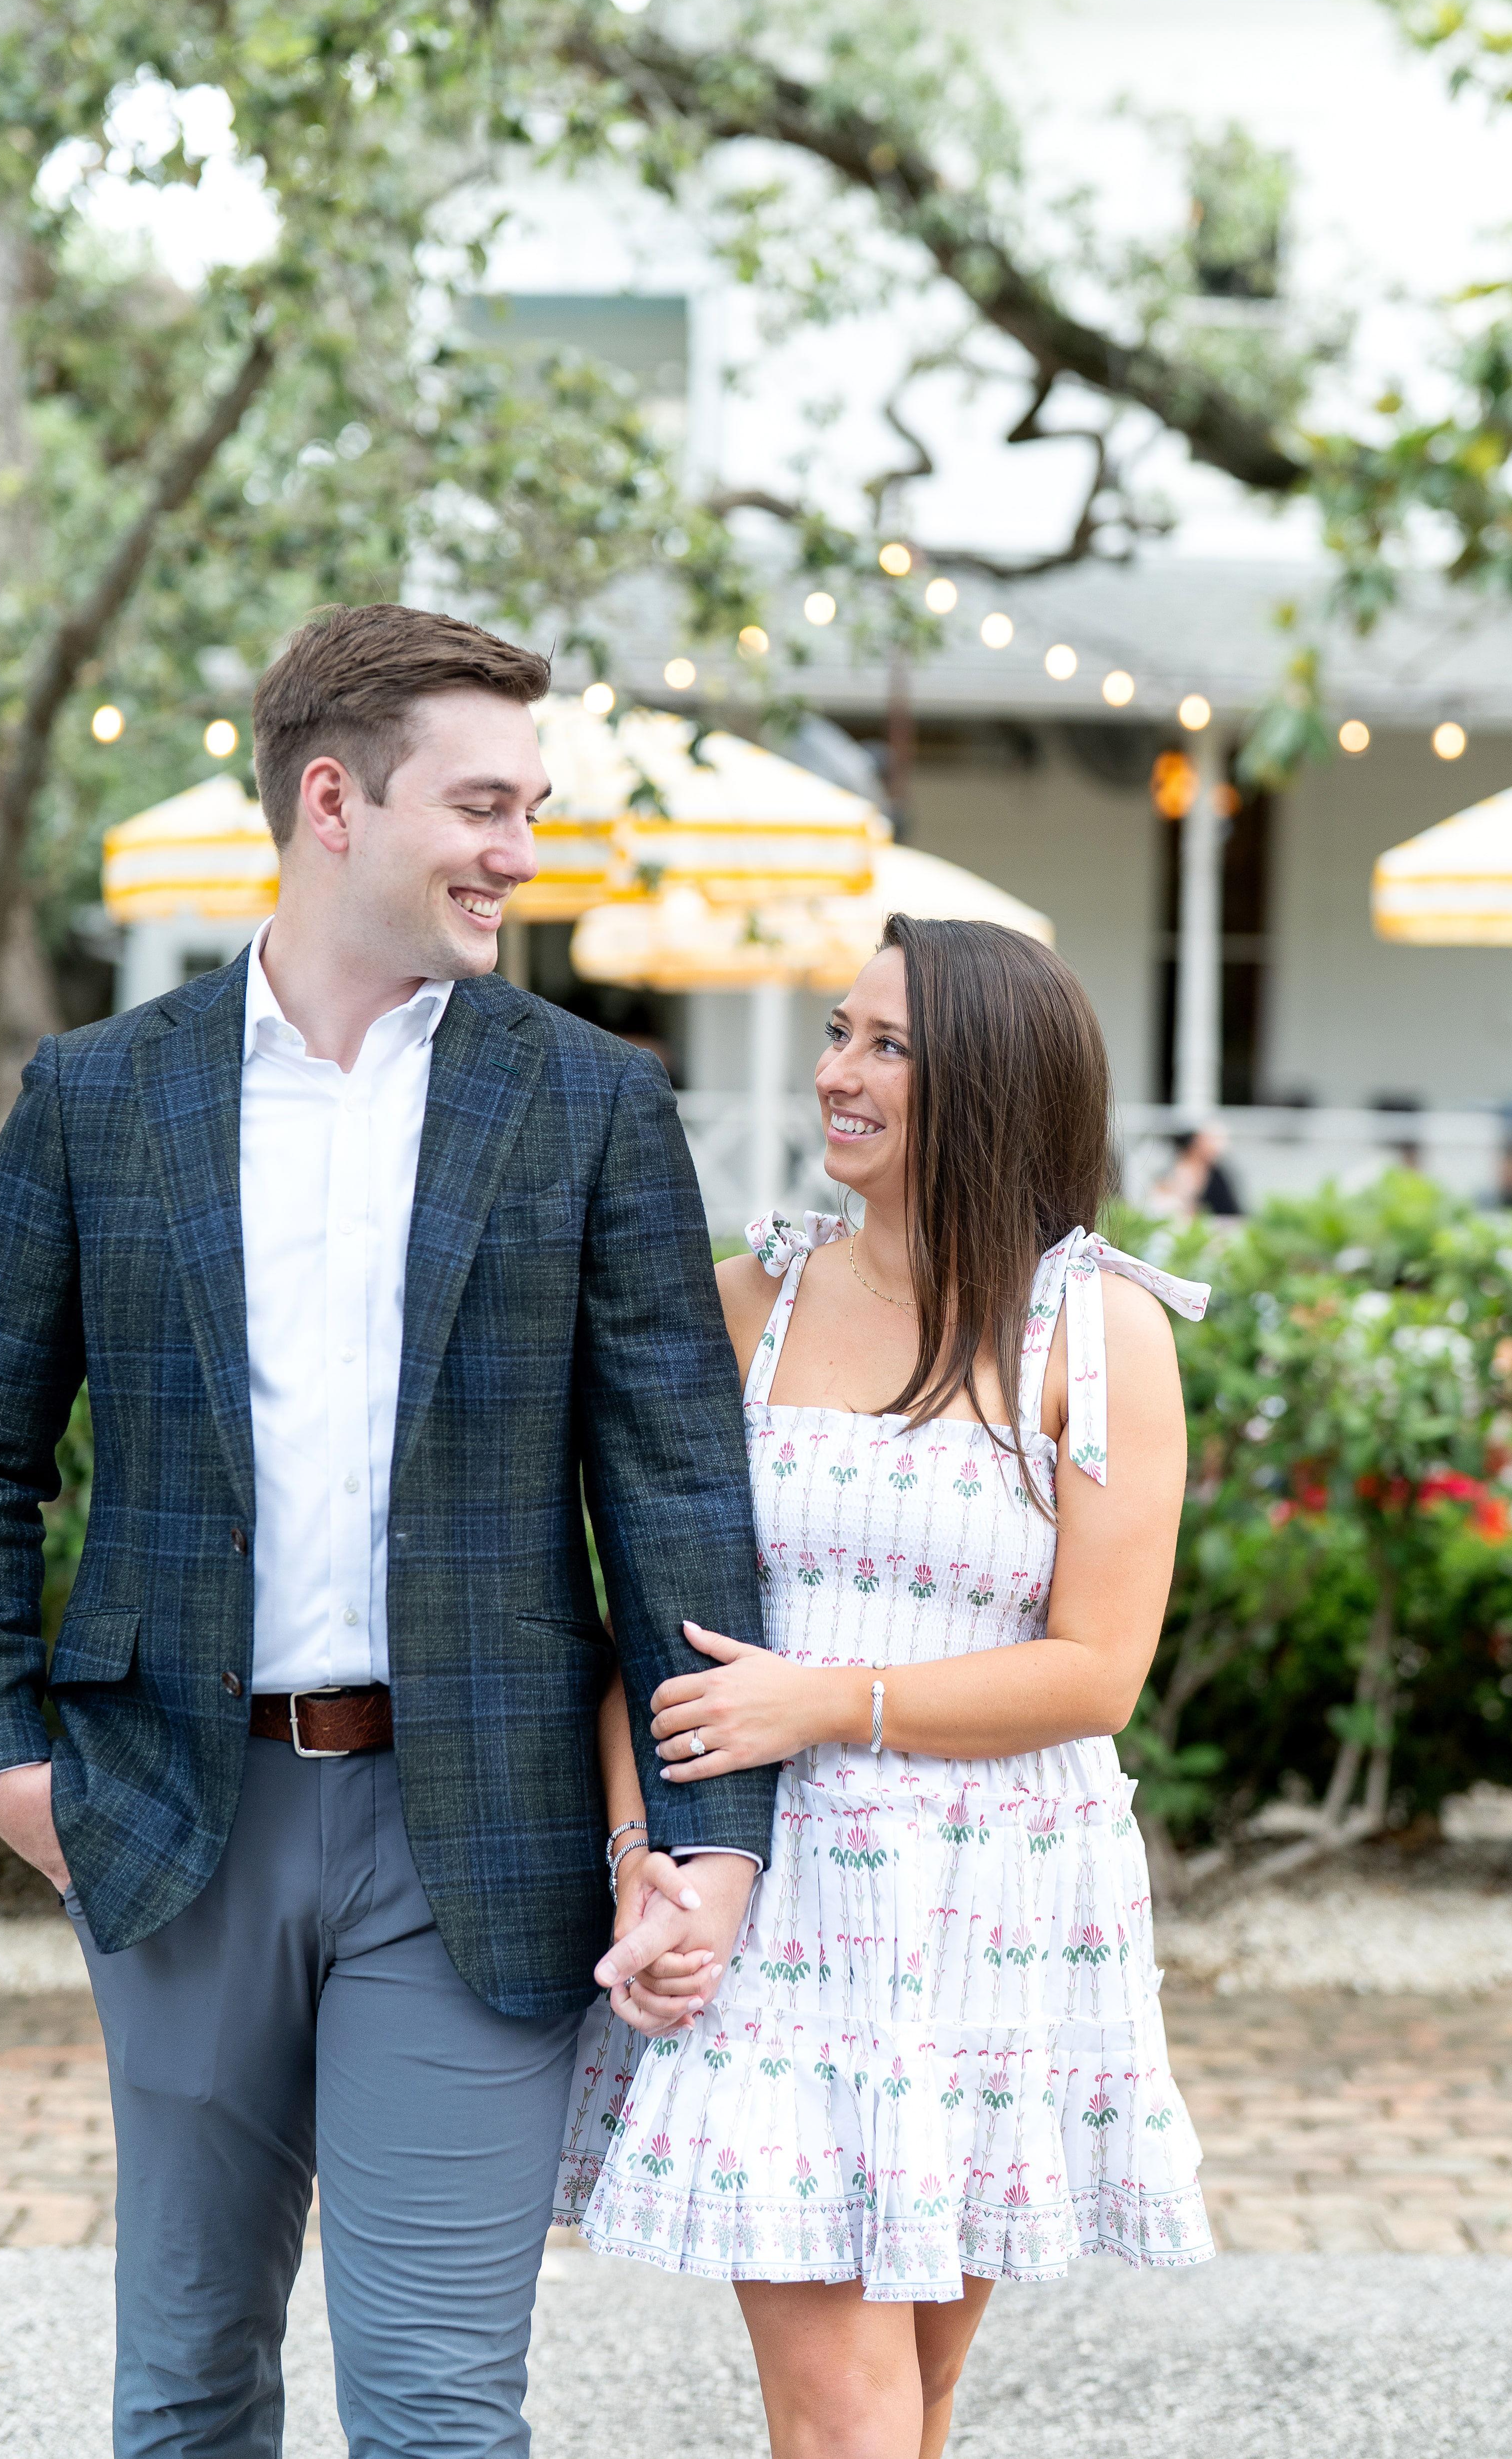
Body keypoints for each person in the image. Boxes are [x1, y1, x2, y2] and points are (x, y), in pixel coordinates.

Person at [0, 603, 771, 2459]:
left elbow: (677, 1496)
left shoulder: (592, 1102)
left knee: (439, 2409)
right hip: (170, 1815)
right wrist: (2, 1768)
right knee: (187, 2390)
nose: (518, 853)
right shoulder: (99, 1096)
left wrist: (709, 1842)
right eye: (482, 806)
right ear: (332, 802)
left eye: (530, 809)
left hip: (482, 1835)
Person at [562, 915, 1217, 2459]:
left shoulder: (1099, 1332)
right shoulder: (747, 1303)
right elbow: (655, 1628)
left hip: (998, 1901)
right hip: (780, 1888)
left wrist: (830, 1701)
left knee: (916, 2396)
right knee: (847, 2413)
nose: (836, 1074)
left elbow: (1098, 1670)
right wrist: (643, 1852)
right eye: (839, 1034)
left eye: (888, 1046)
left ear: (990, 1082)